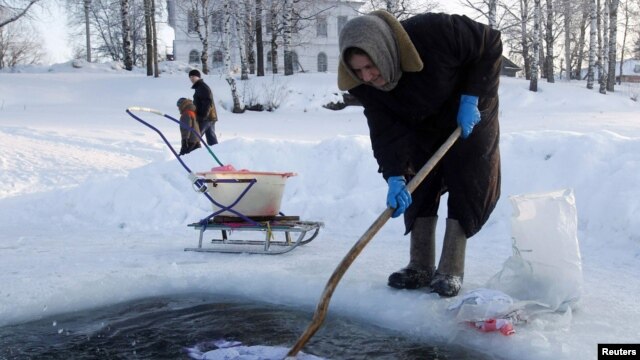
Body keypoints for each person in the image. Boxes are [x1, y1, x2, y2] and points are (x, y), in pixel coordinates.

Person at [338, 10, 502, 297]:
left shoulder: (435, 32)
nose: (367, 76)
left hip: (468, 112)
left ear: (383, 50)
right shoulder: (365, 86)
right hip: (419, 120)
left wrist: (472, 97)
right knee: (419, 180)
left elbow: (489, 43)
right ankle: (420, 265)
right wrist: (394, 175)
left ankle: (451, 268)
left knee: (468, 178)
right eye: (358, 70)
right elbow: (384, 130)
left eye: (369, 66)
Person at [188, 69, 219, 146]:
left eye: (193, 76)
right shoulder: (199, 87)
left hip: (205, 118)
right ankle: (217, 153)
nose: (191, 78)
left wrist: (202, 116)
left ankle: (188, 155)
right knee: (212, 141)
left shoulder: (202, 87)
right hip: (209, 118)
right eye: (190, 77)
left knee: (194, 137)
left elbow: (207, 102)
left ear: (198, 77)